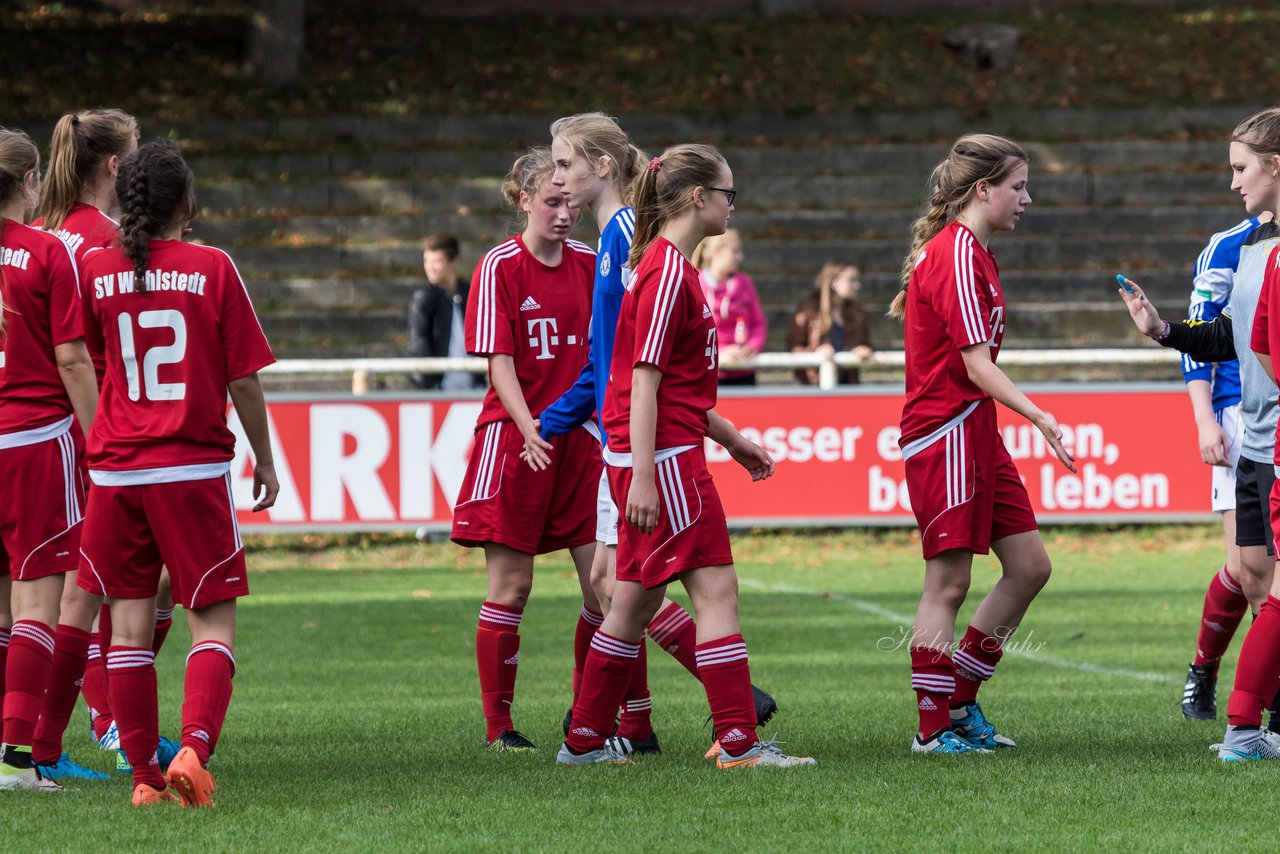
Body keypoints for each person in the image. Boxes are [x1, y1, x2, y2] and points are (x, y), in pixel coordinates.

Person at [558, 144, 814, 769]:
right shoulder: (669, 271)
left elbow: (669, 385)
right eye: (728, 193)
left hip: (661, 453)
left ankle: (585, 740)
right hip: (666, 462)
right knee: (716, 592)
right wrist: (643, 475)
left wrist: (730, 440)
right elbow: (642, 382)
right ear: (699, 197)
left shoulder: (667, 266)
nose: (733, 206)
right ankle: (739, 743)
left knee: (633, 603)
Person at [75, 139, 278, 805]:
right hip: (191, 467)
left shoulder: (96, 271)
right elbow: (243, 380)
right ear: (185, 202)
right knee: (211, 622)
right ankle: (192, 749)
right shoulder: (212, 266)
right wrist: (266, 460)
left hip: (116, 474)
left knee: (127, 631)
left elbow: (91, 358)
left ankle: (141, 779)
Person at [889, 134, 1075, 755]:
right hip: (946, 434)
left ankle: (960, 699)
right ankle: (932, 727)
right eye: (1017, 186)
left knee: (1029, 567)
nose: (1027, 198)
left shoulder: (977, 252)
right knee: (947, 583)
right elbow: (975, 365)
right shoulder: (956, 254)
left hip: (974, 432)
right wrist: (1041, 415)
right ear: (982, 190)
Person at [1119, 108, 1280, 761]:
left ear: (1275, 166)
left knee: (1268, 588)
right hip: (1263, 446)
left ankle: (1247, 727)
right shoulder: (1245, 248)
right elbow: (1238, 339)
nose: (1234, 183)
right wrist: (1164, 331)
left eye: (1242, 168)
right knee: (1259, 584)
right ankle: (1244, 730)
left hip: (1265, 440)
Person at [31, 107, 173, 780]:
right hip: (104, 430)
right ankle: (95, 727)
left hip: (53, 433)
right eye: (135, 151)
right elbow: (87, 351)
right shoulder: (109, 242)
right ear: (116, 165)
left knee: (83, 591)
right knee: (111, 590)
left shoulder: (42, 232)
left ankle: (72, 730)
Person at [450, 148, 600, 752]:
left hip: (580, 443)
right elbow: (498, 363)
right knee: (513, 587)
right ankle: (499, 728)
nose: (564, 214)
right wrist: (530, 426)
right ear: (523, 201)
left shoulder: (592, 264)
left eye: (572, 203)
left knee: (605, 587)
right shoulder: (499, 266)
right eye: (551, 202)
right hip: (516, 441)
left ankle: (590, 715)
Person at [0, 128, 99, 790]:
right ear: (32, 180)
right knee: (38, 606)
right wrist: (101, 440)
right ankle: (15, 759)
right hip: (34, 441)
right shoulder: (46, 252)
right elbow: (70, 356)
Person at [1179, 214, 1268, 721]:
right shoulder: (1228, 246)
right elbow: (1197, 336)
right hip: (1241, 413)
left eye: (1241, 168)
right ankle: (1207, 668)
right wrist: (1205, 420)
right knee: (1247, 569)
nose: (1235, 183)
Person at [692, 229, 766, 386]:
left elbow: (758, 323)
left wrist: (752, 347)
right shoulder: (695, 280)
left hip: (745, 370)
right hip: (709, 372)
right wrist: (722, 351)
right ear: (717, 252)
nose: (740, 257)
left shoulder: (745, 282)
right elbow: (691, 330)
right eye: (735, 251)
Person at [407, 234, 476, 391]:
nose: (430, 267)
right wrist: (427, 386)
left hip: (474, 388)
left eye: (436, 261)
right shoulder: (423, 297)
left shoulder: (471, 293)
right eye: (426, 261)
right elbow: (418, 344)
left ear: (454, 261)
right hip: (439, 390)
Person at [788, 260, 874, 385]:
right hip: (813, 386)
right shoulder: (808, 310)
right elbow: (794, 348)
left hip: (848, 384)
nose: (857, 285)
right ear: (833, 282)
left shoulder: (857, 314)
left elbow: (866, 343)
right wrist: (815, 353)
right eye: (851, 280)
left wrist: (864, 350)